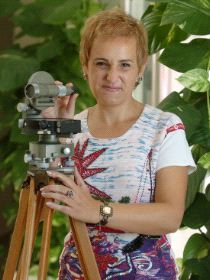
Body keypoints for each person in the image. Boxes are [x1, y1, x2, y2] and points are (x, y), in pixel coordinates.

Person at [40, 8, 196, 279]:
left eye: (124, 64)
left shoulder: (165, 127)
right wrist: (53, 134)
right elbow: (41, 212)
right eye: (102, 63)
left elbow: (170, 216)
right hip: (77, 272)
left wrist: (97, 210)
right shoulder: (71, 126)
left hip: (146, 273)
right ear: (85, 65)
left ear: (140, 68)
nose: (112, 76)